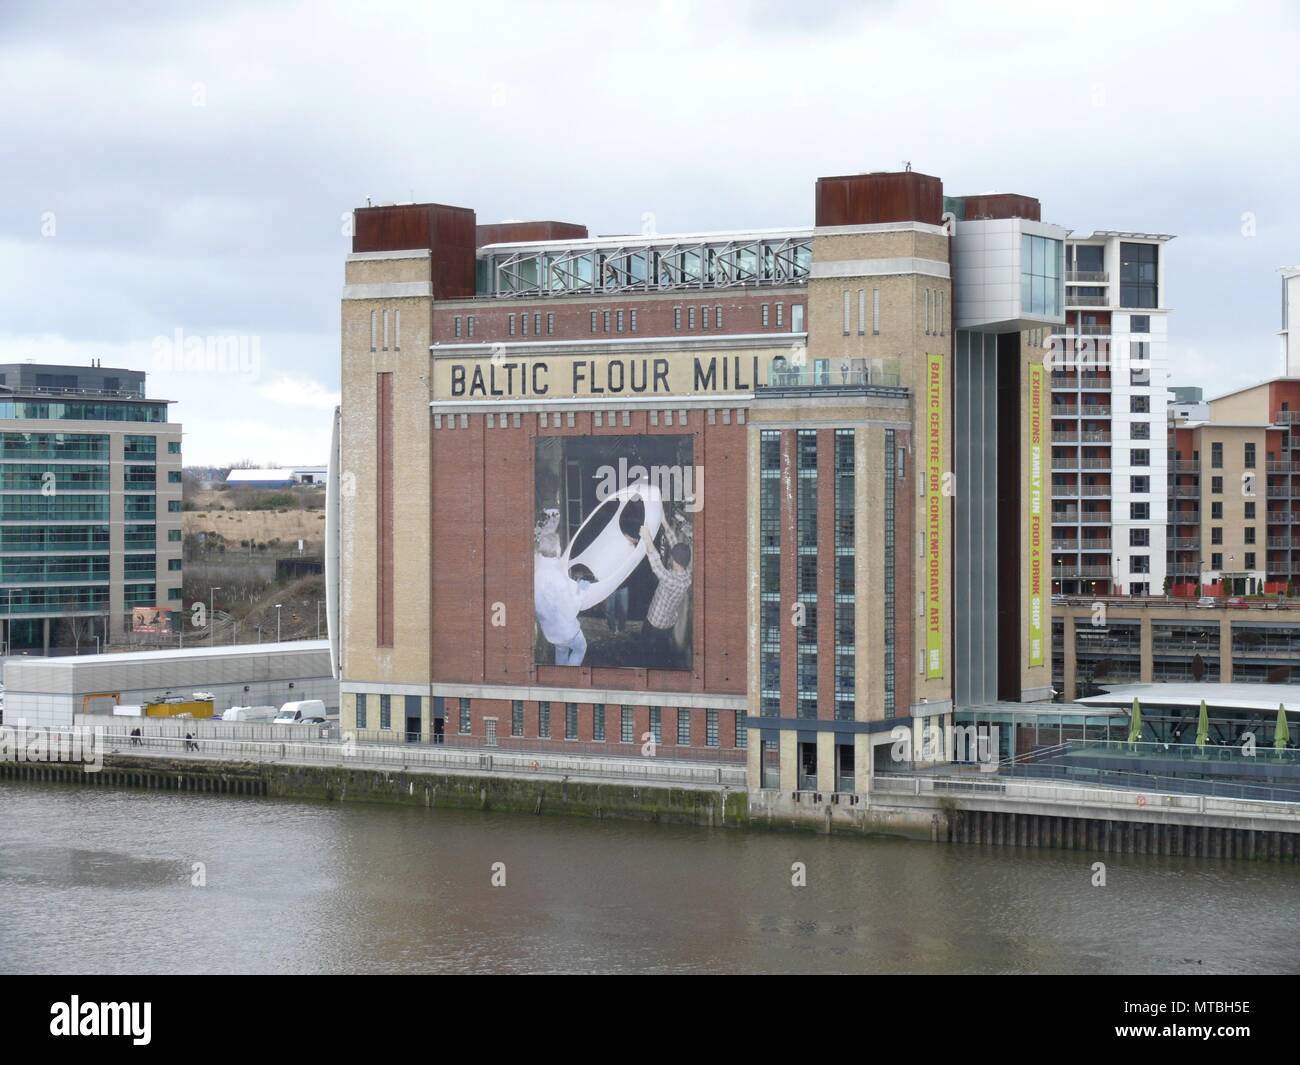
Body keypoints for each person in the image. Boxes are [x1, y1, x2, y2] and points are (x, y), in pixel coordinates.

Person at [639, 519, 692, 663]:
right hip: (669, 623)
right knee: (660, 655)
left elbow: (656, 564)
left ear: (674, 561)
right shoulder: (687, 574)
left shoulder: (671, 580)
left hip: (654, 623)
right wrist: (663, 521)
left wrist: (647, 539)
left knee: (645, 653)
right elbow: (675, 544)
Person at [534, 530, 587, 666]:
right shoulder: (558, 578)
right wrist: (581, 590)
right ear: (557, 549)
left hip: (550, 628)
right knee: (580, 648)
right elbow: (570, 610)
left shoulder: (537, 569)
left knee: (561, 650)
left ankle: (560, 674)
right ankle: (569, 677)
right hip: (565, 630)